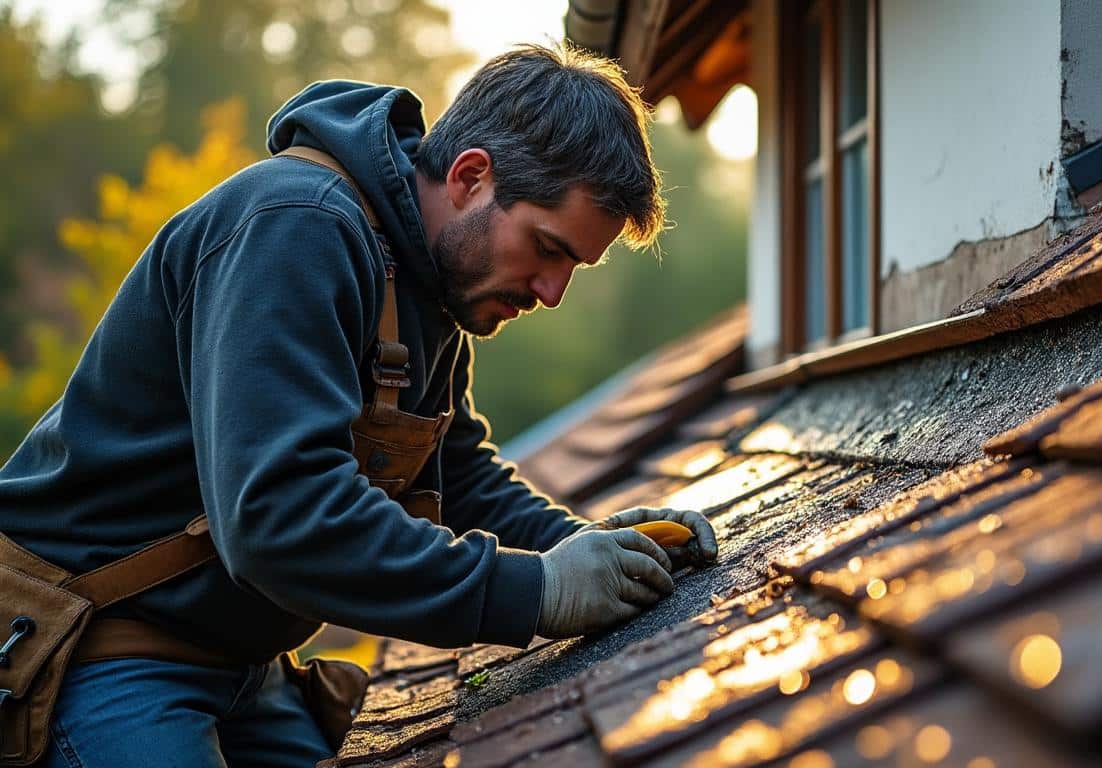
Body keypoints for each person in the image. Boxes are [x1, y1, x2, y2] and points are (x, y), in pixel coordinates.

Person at [0, 43, 717, 767]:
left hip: (243, 665)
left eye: (572, 267)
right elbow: (282, 515)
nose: (552, 291)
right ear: (471, 176)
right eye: (547, 248)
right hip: (101, 647)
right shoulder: (295, 228)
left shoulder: (429, 287)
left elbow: (457, 477)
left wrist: (587, 550)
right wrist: (541, 590)